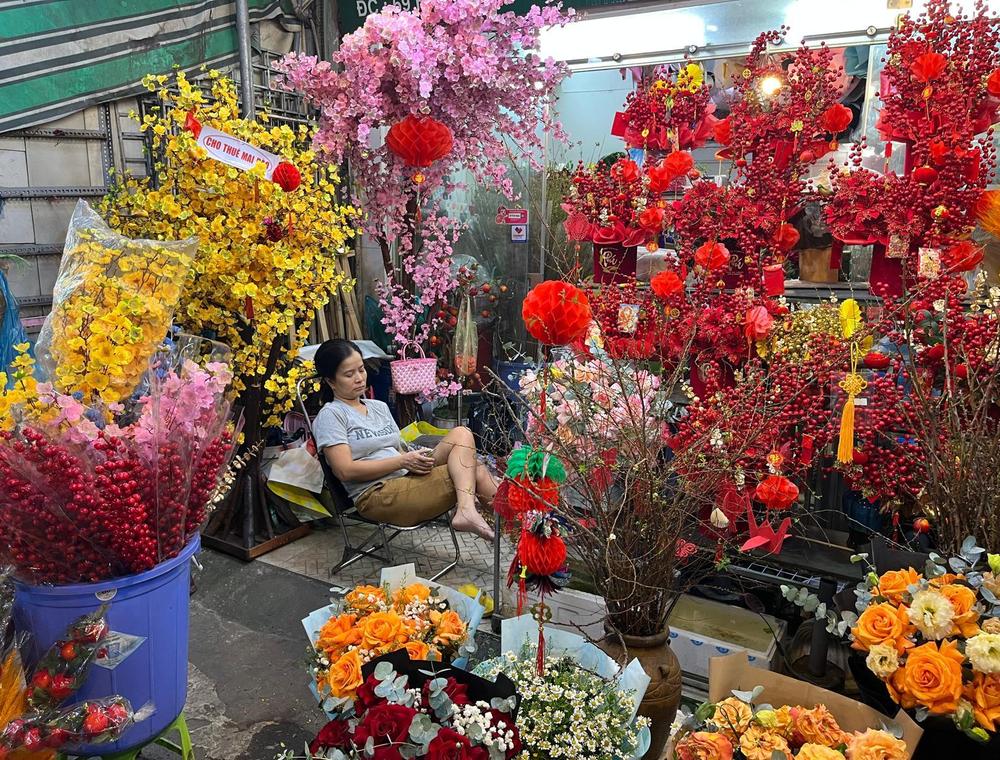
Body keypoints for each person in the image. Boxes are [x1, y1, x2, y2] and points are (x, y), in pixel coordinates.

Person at [311, 339, 496, 541]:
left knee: (462, 433)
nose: (359, 378)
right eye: (349, 374)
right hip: (377, 493)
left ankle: (490, 522)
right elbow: (344, 471)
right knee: (473, 470)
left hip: (405, 476)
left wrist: (413, 459)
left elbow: (397, 449)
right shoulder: (332, 415)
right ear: (331, 381)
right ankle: (503, 526)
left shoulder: (378, 407)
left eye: (361, 370)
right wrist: (402, 462)